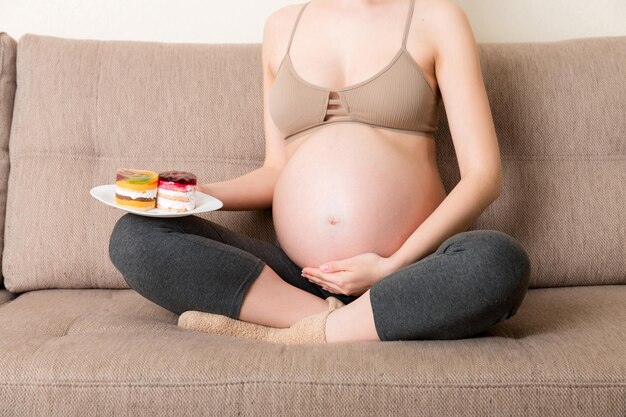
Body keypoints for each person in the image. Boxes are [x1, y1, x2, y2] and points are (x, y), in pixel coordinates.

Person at [109, 0, 531, 344]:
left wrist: (390, 266)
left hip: (406, 274)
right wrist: (192, 194)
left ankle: (299, 332)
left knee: (498, 261)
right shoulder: (281, 26)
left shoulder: (437, 17)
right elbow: (276, 171)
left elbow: (482, 176)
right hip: (296, 279)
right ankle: (334, 325)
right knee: (136, 235)